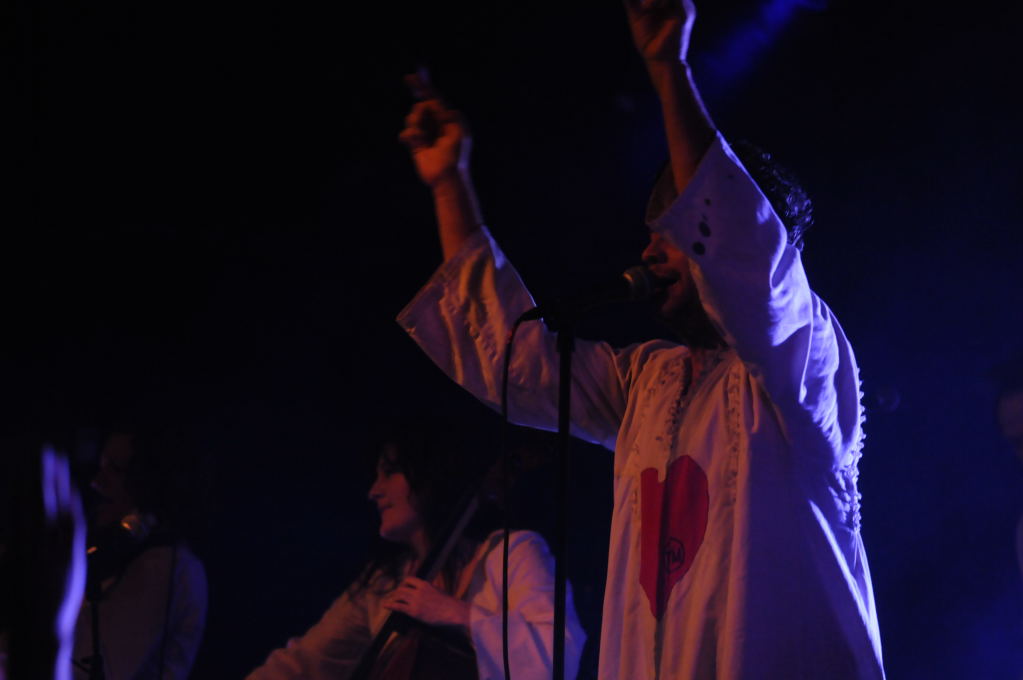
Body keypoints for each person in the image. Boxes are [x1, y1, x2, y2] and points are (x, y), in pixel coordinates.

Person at [395, 1, 884, 678]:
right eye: (653, 231)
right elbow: (515, 362)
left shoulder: (808, 356)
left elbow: (745, 253)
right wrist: (450, 182)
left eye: (675, 229)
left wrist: (668, 68)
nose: (651, 251)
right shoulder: (649, 380)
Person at [245, 424, 585, 680]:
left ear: (429, 476)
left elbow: (560, 654)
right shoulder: (383, 584)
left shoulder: (512, 553)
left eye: (389, 472)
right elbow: (305, 664)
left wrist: (458, 614)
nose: (374, 491)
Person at [72, 428, 209, 680]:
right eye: (101, 466)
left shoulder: (167, 567)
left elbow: (94, 667)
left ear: (149, 484)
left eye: (114, 470)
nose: (96, 482)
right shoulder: (119, 553)